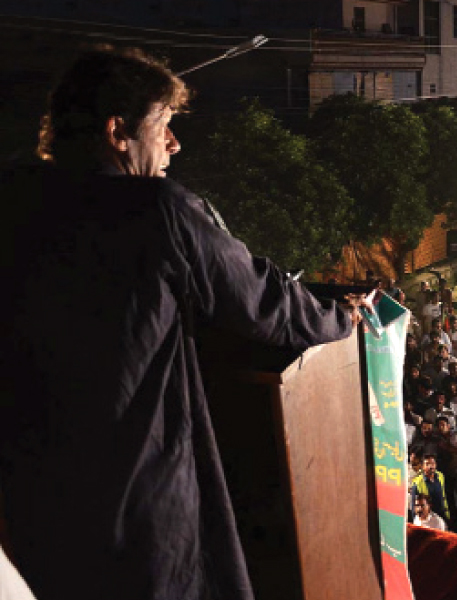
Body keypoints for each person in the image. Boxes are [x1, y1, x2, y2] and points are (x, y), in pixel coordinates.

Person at [0, 47, 360, 600]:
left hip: (30, 503)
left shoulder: (16, 198)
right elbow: (261, 300)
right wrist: (340, 315)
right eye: (163, 126)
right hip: (138, 495)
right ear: (118, 130)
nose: (175, 144)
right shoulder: (155, 208)